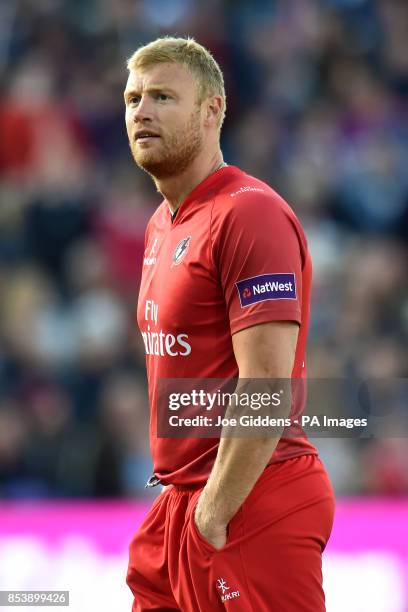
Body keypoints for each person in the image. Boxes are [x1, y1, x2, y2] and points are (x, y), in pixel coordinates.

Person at [124, 36, 335, 611]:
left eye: (163, 96)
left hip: (249, 497)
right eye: (133, 98)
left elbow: (267, 382)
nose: (141, 111)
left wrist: (214, 511)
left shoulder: (249, 213)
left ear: (212, 109)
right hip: (182, 505)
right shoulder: (161, 226)